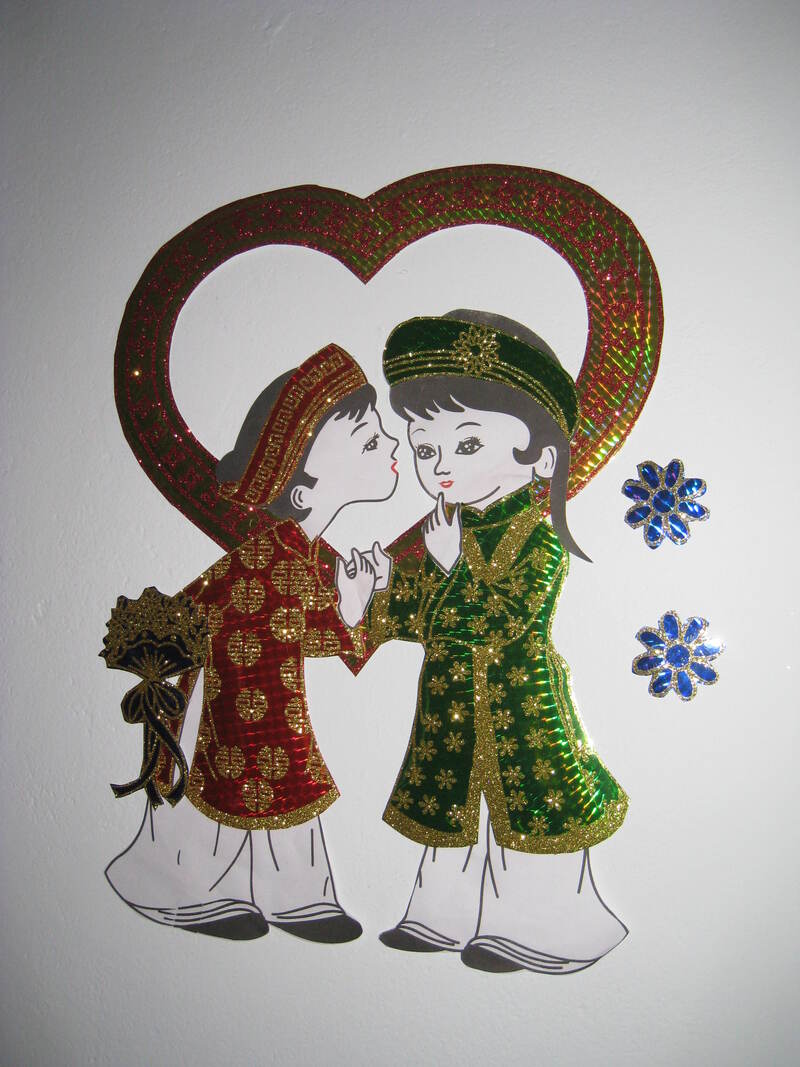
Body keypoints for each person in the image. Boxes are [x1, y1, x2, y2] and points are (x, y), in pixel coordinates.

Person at [363, 311, 628, 973]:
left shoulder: (537, 536)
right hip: (450, 699)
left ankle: (545, 927)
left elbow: (507, 618)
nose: (440, 467)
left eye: (467, 445)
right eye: (426, 450)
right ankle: (440, 915)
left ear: (541, 455)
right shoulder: (444, 533)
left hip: (521, 701)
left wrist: (455, 564)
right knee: (449, 812)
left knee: (531, 809)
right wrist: (370, 595)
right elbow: (418, 620)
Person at [106, 343, 396, 940]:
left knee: (287, 779)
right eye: (371, 442)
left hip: (268, 702)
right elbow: (275, 623)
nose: (392, 445)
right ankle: (178, 884)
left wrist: (353, 604)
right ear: (305, 490)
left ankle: (295, 895)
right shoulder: (271, 556)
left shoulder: (296, 551)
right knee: (241, 788)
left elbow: (303, 630)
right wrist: (350, 609)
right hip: (230, 703)